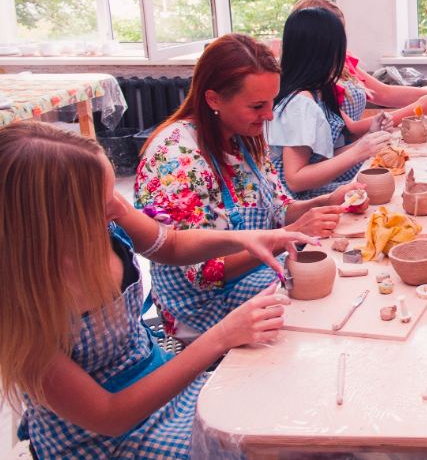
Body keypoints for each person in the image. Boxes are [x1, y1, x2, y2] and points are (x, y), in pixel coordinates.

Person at [0, 121, 312, 459]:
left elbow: (172, 244)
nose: (118, 208)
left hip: (158, 378)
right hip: (102, 438)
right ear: (51, 221)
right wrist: (220, 336)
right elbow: (110, 415)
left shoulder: (107, 216)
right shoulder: (17, 311)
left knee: (280, 413)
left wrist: (244, 239)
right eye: (103, 202)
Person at [135, 34, 348, 343]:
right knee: (313, 320)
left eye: (272, 101)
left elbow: (278, 208)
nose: (270, 115)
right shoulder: (175, 158)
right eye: (258, 106)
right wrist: (283, 238)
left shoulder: (242, 135)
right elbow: (205, 272)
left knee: (332, 292)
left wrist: (325, 201)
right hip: (201, 308)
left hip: (250, 275)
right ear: (213, 100)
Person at [288, 0, 427, 146]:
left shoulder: (341, 61)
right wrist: (417, 108)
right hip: (346, 154)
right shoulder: (310, 86)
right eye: (335, 37)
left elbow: (384, 93)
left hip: (354, 149)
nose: (341, 43)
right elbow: (350, 131)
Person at [268, 7, 394, 198]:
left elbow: (328, 158)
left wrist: (370, 137)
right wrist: (359, 151)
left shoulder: (319, 91)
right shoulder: (300, 103)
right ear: (323, 52)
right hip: (290, 202)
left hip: (309, 191)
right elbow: (296, 180)